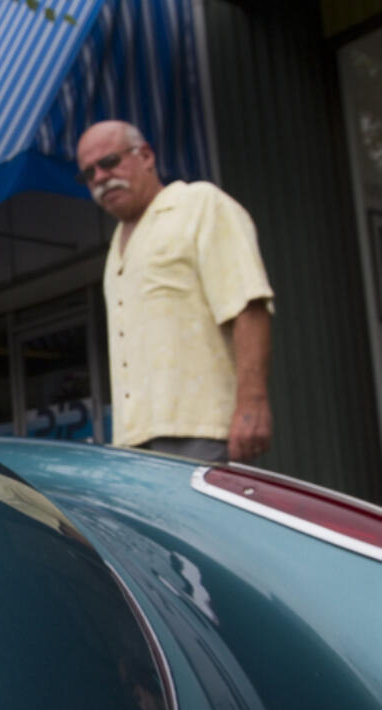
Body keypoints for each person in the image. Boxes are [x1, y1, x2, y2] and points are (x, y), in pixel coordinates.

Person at [76, 120, 275, 462]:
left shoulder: (198, 204)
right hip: (133, 442)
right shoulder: (116, 247)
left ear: (147, 156)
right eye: (88, 174)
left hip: (200, 429)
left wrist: (252, 402)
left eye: (108, 162)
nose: (100, 178)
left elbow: (247, 304)